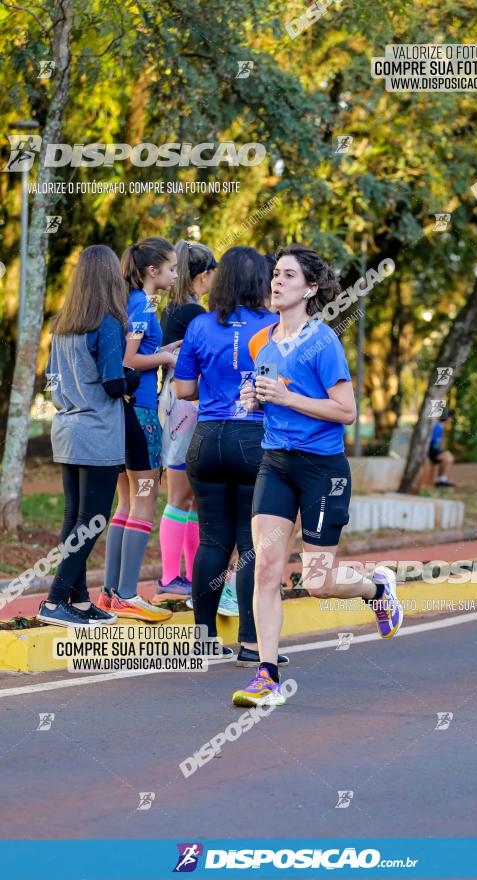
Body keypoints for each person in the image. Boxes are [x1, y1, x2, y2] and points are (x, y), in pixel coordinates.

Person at [232, 244, 403, 707]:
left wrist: (287, 399)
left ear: (310, 289)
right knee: (265, 567)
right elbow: (266, 393)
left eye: (288, 275)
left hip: (322, 469)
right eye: (275, 274)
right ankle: (265, 674)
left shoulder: (323, 341)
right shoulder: (258, 341)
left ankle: (376, 588)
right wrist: (255, 401)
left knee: (316, 582)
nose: (277, 281)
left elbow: (346, 411)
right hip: (275, 463)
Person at [174, 246, 288, 664]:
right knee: (251, 544)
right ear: (261, 282)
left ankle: (202, 640)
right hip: (253, 440)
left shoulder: (201, 326)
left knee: (212, 541)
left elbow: (183, 390)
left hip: (205, 441)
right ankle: (252, 643)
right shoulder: (275, 327)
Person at [37, 245, 140, 628]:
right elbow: (115, 383)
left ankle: (78, 601)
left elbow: (51, 382)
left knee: (74, 518)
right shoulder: (108, 323)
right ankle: (54, 600)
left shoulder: (62, 324)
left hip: (66, 429)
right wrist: (135, 377)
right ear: (111, 278)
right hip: (97, 432)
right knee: (93, 519)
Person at [98, 237, 180, 622]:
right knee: (144, 499)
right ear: (153, 270)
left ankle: (111, 594)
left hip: (123, 414)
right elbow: (130, 360)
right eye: (172, 268)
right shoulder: (143, 304)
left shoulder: (130, 301)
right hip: (141, 413)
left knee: (126, 503)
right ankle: (128, 594)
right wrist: (165, 357)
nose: (176, 275)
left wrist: (166, 349)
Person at [156, 241, 215, 597]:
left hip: (179, 403)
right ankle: (168, 578)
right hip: (183, 404)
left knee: (189, 497)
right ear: (204, 275)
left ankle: (189, 577)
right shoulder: (192, 313)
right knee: (179, 496)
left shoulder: (176, 308)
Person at [429, 410, 455, 487]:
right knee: (448, 458)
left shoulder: (441, 426)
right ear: (447, 418)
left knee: (449, 457)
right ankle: (441, 479)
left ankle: (441, 478)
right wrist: (441, 451)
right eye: (450, 418)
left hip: (435, 449)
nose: (451, 420)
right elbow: (434, 442)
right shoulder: (438, 427)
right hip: (432, 451)